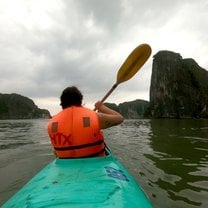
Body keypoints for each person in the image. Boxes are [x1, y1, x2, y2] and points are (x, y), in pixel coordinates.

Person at [48, 86, 124, 158]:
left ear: (62, 103)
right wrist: (101, 107)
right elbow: (120, 118)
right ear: (80, 100)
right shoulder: (95, 117)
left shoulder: (52, 123)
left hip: (65, 166)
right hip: (95, 164)